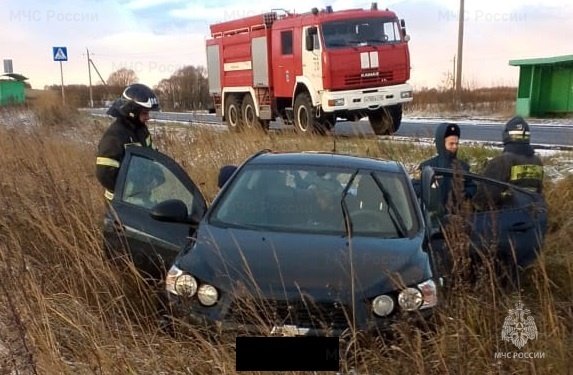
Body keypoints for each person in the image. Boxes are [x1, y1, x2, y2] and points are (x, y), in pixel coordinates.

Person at [95, 83, 160, 200]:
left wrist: (157, 173)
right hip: (122, 204)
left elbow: (151, 156)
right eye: (144, 113)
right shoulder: (114, 136)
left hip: (141, 196)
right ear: (132, 111)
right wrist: (131, 191)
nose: (148, 117)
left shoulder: (141, 130)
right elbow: (104, 174)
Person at [474, 116, 544, 208]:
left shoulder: (501, 161)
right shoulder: (537, 161)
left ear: (506, 135)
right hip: (532, 215)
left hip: (506, 217)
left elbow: (485, 196)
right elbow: (538, 192)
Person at [416, 123, 475, 211]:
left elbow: (472, 187)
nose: (455, 146)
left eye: (456, 143)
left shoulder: (463, 167)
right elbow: (415, 188)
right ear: (442, 143)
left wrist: (464, 194)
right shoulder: (427, 167)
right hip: (433, 217)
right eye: (451, 144)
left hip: (457, 217)